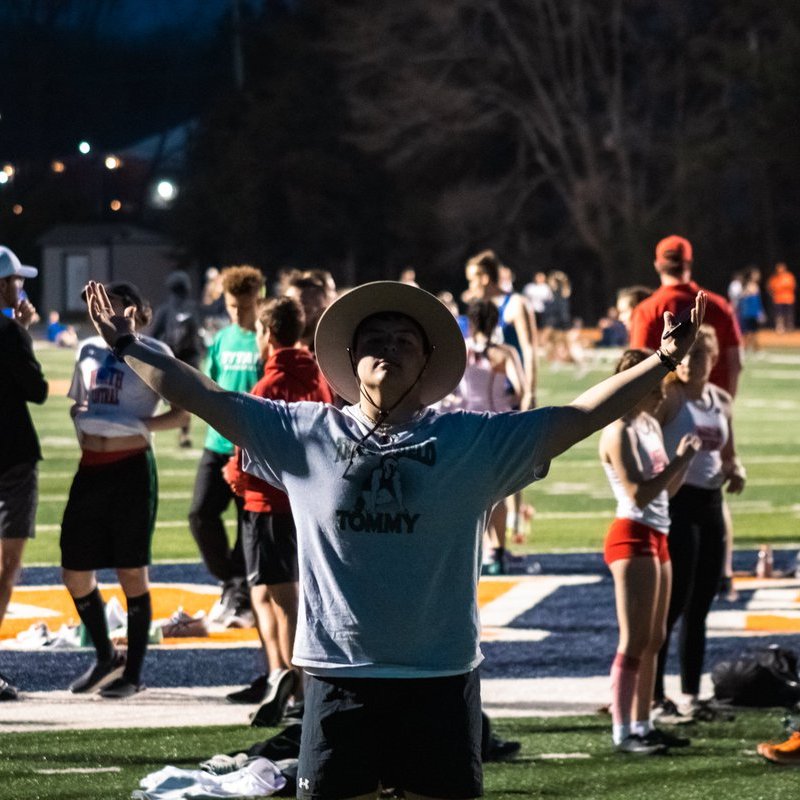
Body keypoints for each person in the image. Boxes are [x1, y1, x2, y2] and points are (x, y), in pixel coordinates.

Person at [83, 276, 705, 799]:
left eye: (403, 340)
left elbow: (577, 417)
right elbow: (203, 394)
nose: (388, 348)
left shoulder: (471, 441)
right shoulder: (304, 432)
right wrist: (130, 346)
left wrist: (662, 360)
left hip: (439, 678)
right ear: (349, 361)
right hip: (336, 677)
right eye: (374, 340)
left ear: (427, 363)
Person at [61, 282, 187, 699]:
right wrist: (86, 422)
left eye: (108, 305)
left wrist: (137, 427)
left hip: (131, 469)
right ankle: (104, 655)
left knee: (131, 571)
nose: (98, 312)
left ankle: (133, 673)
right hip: (90, 469)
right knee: (75, 572)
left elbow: (181, 415)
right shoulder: (86, 350)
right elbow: (76, 402)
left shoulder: (152, 352)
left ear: (131, 309)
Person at [223, 295, 332, 721]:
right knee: (273, 593)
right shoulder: (317, 378)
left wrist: (235, 473)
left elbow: (248, 442)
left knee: (282, 597)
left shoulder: (267, 386)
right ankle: (282, 677)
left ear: (267, 335)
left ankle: (296, 683)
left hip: (267, 502)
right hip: (305, 498)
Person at [599, 349, 700, 754]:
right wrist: (679, 462)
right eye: (655, 386)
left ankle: (644, 722)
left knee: (655, 637)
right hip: (632, 533)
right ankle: (623, 731)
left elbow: (666, 492)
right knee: (634, 638)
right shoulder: (618, 430)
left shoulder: (648, 424)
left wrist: (684, 464)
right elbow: (640, 494)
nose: (662, 394)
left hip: (658, 531)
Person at [652, 326, 746, 719]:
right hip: (678, 504)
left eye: (699, 355)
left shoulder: (720, 399)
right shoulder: (669, 397)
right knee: (672, 604)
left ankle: (691, 691)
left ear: (713, 359)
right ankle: (653, 693)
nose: (690, 362)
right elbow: (644, 437)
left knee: (701, 604)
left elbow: (728, 453)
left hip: (711, 503)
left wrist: (736, 470)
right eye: (686, 355)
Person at [189, 265, 264, 627]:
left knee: (247, 526)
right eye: (232, 306)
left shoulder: (264, 341)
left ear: (258, 300)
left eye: (244, 306)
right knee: (200, 515)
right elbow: (209, 385)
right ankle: (233, 582)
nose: (236, 313)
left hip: (252, 449)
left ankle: (242, 595)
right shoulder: (222, 339)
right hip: (217, 443)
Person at [446, 300, 526, 574]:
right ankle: (496, 551)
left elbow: (450, 389)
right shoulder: (504, 352)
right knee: (498, 491)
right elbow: (520, 389)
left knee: (467, 490)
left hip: (465, 423)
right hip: (497, 423)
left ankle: (473, 549)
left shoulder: (461, 349)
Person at [0, 246, 48, 701]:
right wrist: (22, 332)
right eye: (15, 280)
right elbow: (37, 390)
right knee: (5, 569)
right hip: (11, 459)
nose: (21, 287)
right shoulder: (10, 332)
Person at [629, 235, 743, 397]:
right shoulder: (720, 306)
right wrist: (725, 405)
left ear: (657, 265)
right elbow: (736, 362)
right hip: (711, 407)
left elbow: (637, 367)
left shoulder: (646, 310)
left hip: (665, 411)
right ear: (688, 263)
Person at [149, 270, 204, 447]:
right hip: (190, 360)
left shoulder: (165, 309)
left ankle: (157, 427)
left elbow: (153, 335)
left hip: (170, 359)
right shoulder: (193, 308)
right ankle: (184, 433)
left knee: (173, 400)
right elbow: (199, 334)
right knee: (187, 399)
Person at [737, 267, 765, 353]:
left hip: (751, 313)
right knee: (750, 332)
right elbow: (749, 301)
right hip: (750, 313)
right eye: (756, 274)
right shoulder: (749, 286)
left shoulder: (751, 286)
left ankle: (755, 349)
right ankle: (745, 348)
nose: (758, 276)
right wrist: (759, 313)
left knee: (753, 332)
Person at [767, 262, 796, 334]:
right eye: (778, 269)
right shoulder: (774, 278)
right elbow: (769, 288)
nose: (780, 270)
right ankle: (780, 328)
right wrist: (772, 295)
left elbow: (793, 286)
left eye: (781, 268)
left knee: (789, 314)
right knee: (779, 315)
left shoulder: (789, 276)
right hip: (778, 300)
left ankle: (789, 327)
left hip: (789, 299)